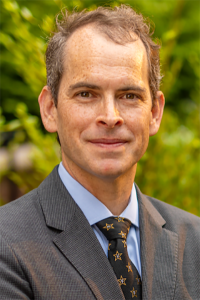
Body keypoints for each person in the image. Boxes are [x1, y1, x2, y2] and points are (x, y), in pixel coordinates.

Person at [0, 5, 200, 300]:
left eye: (129, 95)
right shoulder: (7, 245)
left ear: (155, 112)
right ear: (50, 109)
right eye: (86, 94)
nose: (110, 116)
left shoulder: (195, 242)